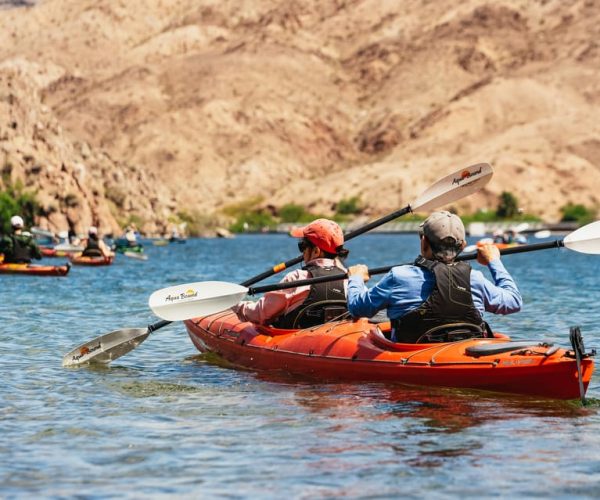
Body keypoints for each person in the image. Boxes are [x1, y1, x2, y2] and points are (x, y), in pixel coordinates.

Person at [347, 211, 522, 343]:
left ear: (424, 243)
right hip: (462, 354)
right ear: (463, 246)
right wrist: (494, 261)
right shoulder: (474, 278)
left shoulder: (399, 276)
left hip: (413, 354)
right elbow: (513, 302)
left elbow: (357, 309)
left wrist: (356, 279)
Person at [232, 218, 350, 328]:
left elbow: (260, 313)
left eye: (302, 246)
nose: (302, 252)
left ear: (316, 251)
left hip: (299, 339)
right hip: (333, 335)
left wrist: (235, 305)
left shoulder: (297, 277)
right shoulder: (349, 279)